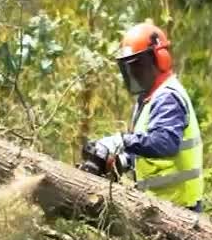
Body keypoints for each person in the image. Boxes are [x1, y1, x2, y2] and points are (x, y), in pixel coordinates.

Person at [84, 19, 204, 212]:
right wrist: (122, 160)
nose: (135, 72)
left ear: (160, 59)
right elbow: (146, 148)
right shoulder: (148, 98)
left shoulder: (167, 97)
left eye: (139, 65)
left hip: (180, 208)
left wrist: (121, 140)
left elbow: (165, 143)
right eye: (130, 67)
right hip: (160, 206)